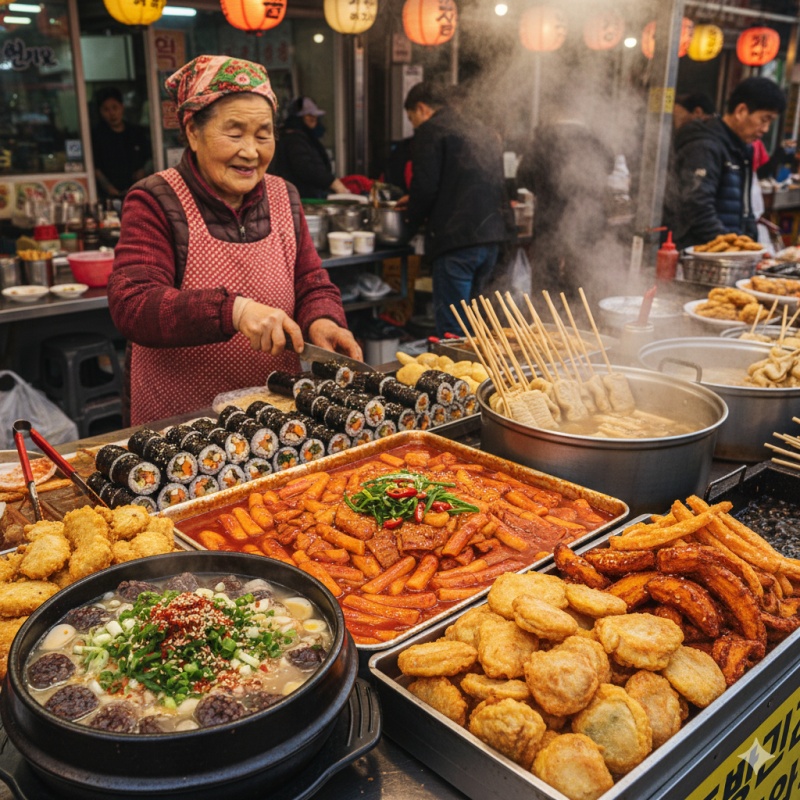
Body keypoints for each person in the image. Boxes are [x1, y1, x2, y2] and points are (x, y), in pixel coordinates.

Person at [107, 56, 360, 425]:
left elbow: (310, 281)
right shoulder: (155, 199)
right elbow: (133, 303)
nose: (251, 151)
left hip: (275, 418)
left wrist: (322, 319)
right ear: (193, 131)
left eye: (263, 134)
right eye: (235, 132)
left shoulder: (284, 195)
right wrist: (235, 312)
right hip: (184, 422)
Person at [400, 81, 510, 337]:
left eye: (411, 118)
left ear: (422, 109)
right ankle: (480, 376)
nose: (414, 124)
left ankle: (458, 378)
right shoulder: (481, 129)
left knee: (453, 333)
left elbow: (425, 186)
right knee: (477, 327)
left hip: (457, 242)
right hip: (491, 240)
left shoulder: (431, 130)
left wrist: (407, 226)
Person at [664, 77, 786, 251]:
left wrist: (752, 249)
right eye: (764, 119)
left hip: (729, 259)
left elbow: (746, 209)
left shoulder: (740, 149)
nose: (766, 129)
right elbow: (697, 206)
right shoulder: (705, 146)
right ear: (741, 111)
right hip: (702, 257)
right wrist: (732, 249)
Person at [516, 96, 614, 299]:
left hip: (549, 225)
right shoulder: (596, 140)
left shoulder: (543, 139)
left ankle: (544, 326)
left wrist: (544, 188)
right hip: (590, 226)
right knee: (583, 286)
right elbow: (609, 168)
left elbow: (522, 178)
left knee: (546, 289)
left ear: (555, 111)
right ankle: (585, 326)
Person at [268, 96, 348, 198]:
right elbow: (304, 167)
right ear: (298, 117)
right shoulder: (294, 139)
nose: (313, 118)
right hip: (302, 197)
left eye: (314, 115)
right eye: (308, 115)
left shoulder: (302, 136)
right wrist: (332, 182)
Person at [91, 87, 152, 201]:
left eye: (115, 107)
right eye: (106, 109)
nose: (112, 113)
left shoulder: (135, 132)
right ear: (100, 112)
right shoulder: (97, 136)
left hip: (136, 192)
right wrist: (110, 189)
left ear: (122, 107)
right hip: (108, 195)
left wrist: (141, 172)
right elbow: (96, 168)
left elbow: (147, 158)